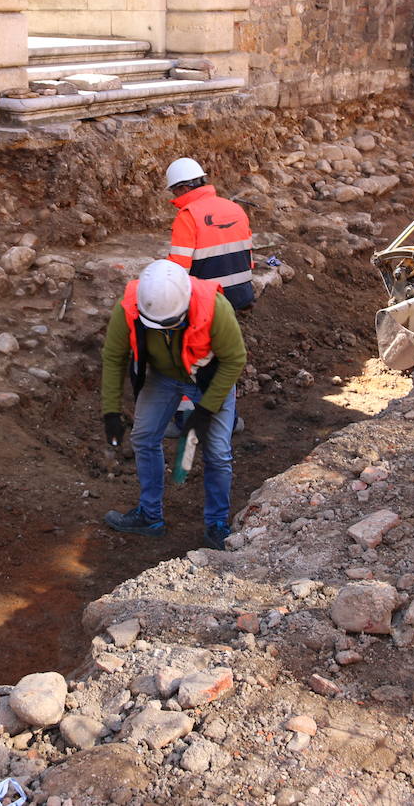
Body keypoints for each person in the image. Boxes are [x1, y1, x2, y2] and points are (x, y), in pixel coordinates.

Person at [100, 259, 247, 550]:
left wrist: (205, 410)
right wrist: (111, 411)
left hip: (208, 377)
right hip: (163, 378)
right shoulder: (129, 308)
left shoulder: (215, 307)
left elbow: (234, 359)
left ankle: (217, 525)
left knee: (217, 452)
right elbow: (114, 358)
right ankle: (149, 516)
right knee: (143, 437)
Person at [163, 157, 255, 312]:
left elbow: (179, 268)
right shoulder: (235, 208)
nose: (174, 196)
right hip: (243, 295)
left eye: (174, 191)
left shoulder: (188, 215)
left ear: (184, 189)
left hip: (210, 301)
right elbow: (249, 258)